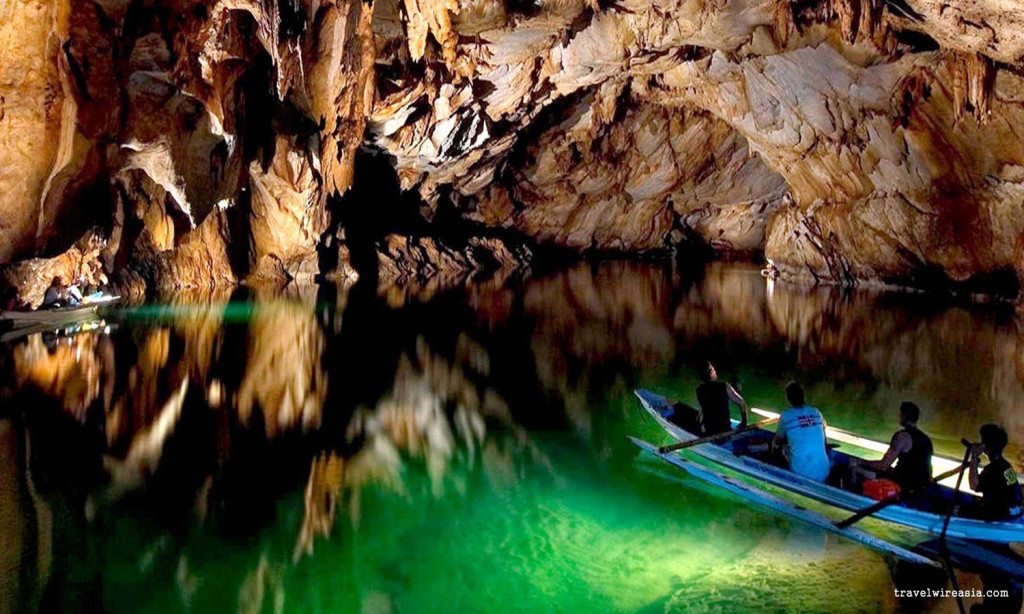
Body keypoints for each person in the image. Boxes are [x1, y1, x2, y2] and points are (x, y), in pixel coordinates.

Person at [852, 401, 933, 491]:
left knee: (856, 468)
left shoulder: (902, 436)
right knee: (890, 470)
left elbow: (883, 465)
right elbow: (929, 470)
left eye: (900, 415)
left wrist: (861, 462)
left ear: (903, 416)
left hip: (901, 485)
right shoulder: (927, 439)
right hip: (920, 487)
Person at [773, 381, 830, 482]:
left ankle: (779, 475)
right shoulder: (816, 412)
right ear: (803, 396)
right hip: (824, 471)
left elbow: (778, 440)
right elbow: (823, 432)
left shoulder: (786, 416)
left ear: (788, 398)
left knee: (778, 446)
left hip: (800, 473)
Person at [968, 424, 1023, 521]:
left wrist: (973, 458)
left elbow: (974, 485)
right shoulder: (1007, 466)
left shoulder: (992, 470)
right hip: (1010, 513)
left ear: (985, 447)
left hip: (997, 515)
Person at [695, 362, 749, 436]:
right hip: (725, 430)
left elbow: (701, 413)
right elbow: (742, 403)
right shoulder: (724, 386)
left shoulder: (699, 390)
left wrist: (699, 428)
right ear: (711, 373)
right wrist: (744, 423)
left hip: (709, 431)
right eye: (713, 369)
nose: (715, 371)